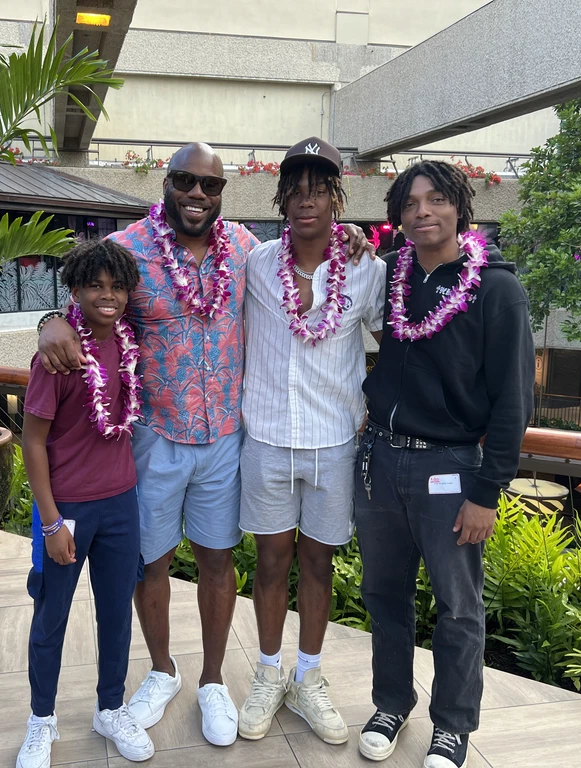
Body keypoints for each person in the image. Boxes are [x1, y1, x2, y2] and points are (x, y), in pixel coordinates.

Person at [35, 142, 371, 747]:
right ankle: (163, 671)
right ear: (167, 183)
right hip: (155, 434)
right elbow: (90, 303)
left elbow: (316, 256)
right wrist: (49, 322)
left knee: (218, 560)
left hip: (225, 438)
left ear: (223, 194)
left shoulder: (246, 251)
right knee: (151, 561)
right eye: (186, 182)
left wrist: (352, 240)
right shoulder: (134, 247)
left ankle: (214, 680)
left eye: (210, 186)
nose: (197, 195)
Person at [355, 161, 534, 768]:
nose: (423, 211)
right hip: (380, 459)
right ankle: (390, 700)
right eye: (410, 203)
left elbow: (514, 399)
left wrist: (488, 489)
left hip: (452, 469)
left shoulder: (497, 288)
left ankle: (453, 724)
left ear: (460, 207)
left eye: (436, 200)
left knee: (458, 606)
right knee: (383, 593)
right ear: (398, 215)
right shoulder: (392, 274)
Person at [236, 137, 386, 745]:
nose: (306, 201)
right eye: (295, 190)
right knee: (270, 561)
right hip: (267, 438)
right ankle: (269, 674)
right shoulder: (254, 263)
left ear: (336, 199)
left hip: (334, 442)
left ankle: (309, 678)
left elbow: (398, 336)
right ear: (281, 198)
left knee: (318, 562)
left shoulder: (366, 270)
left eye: (319, 190)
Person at [18, 239, 154, 768]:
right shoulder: (56, 356)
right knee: (51, 618)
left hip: (121, 501)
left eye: (117, 286)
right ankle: (40, 721)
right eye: (95, 285)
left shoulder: (129, 341)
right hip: (67, 507)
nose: (108, 295)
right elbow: (31, 442)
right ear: (74, 289)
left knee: (116, 613)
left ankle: (110, 707)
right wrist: (51, 523)